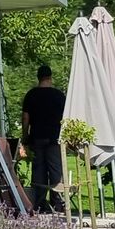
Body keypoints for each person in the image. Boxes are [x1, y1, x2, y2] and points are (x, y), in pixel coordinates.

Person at [19, 65, 67, 212]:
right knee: (55, 170)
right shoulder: (59, 95)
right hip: (54, 138)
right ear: (50, 77)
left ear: (38, 77)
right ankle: (57, 202)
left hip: (37, 137)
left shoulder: (31, 95)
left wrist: (25, 137)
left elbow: (26, 118)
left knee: (38, 170)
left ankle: (39, 203)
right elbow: (66, 118)